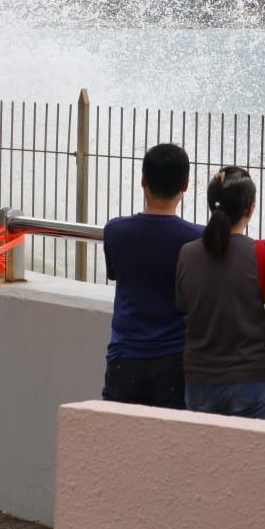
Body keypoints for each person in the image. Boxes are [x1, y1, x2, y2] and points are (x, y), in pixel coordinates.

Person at [175, 166, 265, 421]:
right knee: (260, 460)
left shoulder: (187, 255)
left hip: (200, 382)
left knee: (207, 461)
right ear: (250, 209)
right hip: (256, 383)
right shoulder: (262, 253)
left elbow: (184, 305)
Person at [101, 144, 201, 410]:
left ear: (143, 180)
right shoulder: (197, 239)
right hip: (174, 360)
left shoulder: (115, 231)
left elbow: (114, 273)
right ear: (186, 186)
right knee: (170, 446)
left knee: (120, 444)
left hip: (125, 356)